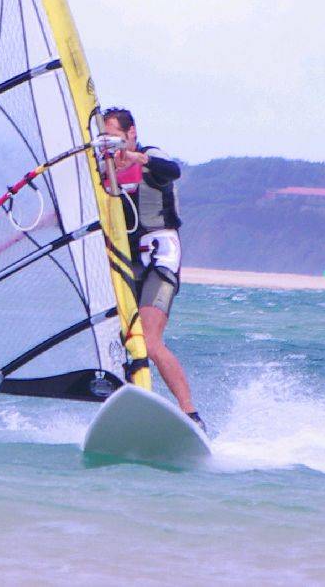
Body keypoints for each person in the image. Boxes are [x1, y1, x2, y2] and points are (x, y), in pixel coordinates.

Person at [102, 107, 204, 431]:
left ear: (131, 133)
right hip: (127, 263)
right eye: (106, 139)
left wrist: (136, 158)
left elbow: (172, 170)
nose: (112, 145)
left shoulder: (149, 156)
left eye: (116, 137)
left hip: (160, 256)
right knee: (124, 341)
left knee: (150, 339)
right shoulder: (104, 172)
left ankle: (190, 415)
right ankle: (136, 404)